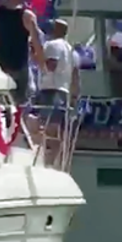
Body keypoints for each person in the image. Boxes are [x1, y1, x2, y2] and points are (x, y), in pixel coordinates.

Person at [35, 19, 79, 164]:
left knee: (48, 128)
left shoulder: (53, 45)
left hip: (50, 90)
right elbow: (75, 76)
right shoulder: (72, 50)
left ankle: (45, 160)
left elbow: (50, 66)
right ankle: (52, 160)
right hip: (64, 91)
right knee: (57, 129)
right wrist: (74, 96)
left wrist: (36, 58)